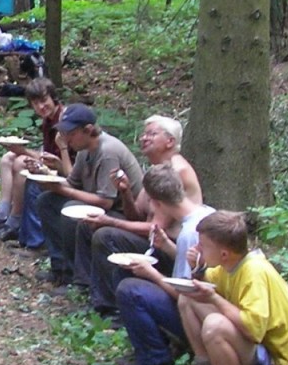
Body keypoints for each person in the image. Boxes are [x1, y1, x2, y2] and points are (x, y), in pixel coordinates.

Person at [165, 210, 288, 365]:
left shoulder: (254, 271)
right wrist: (198, 270)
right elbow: (203, 288)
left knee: (215, 326)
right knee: (188, 299)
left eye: (203, 246)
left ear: (225, 253)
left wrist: (213, 298)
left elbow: (252, 329)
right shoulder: (227, 267)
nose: (197, 249)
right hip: (256, 359)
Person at [74, 115, 203, 320]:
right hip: (155, 239)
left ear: (170, 141)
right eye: (144, 134)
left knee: (106, 235)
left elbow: (154, 228)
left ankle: (112, 307)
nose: (144, 138)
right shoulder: (156, 169)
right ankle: (86, 288)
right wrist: (125, 192)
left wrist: (110, 221)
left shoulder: (177, 171)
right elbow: (138, 214)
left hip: (172, 249)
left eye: (152, 134)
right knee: (89, 223)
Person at [112, 165, 214, 365]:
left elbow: (186, 296)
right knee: (127, 271)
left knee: (129, 288)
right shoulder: (205, 213)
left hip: (199, 317)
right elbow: (196, 267)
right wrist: (167, 246)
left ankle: (155, 359)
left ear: (157, 202)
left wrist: (152, 275)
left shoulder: (190, 233)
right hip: (203, 303)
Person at [35, 104, 143, 293]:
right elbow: (73, 183)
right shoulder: (84, 150)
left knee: (71, 210)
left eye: (70, 133)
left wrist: (62, 190)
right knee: (47, 201)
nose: (66, 139)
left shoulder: (107, 152)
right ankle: (60, 267)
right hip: (102, 205)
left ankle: (80, 281)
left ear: (88, 130)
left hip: (121, 213)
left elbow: (105, 201)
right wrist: (48, 177)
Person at [0, 77, 70, 246]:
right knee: (8, 158)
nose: (40, 107)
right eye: (35, 104)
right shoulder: (48, 120)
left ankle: (14, 221)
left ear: (53, 98)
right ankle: (2, 213)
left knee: (20, 162)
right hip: (53, 165)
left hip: (64, 171)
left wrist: (24, 152)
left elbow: (56, 161)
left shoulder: (63, 120)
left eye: (44, 101)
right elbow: (48, 153)